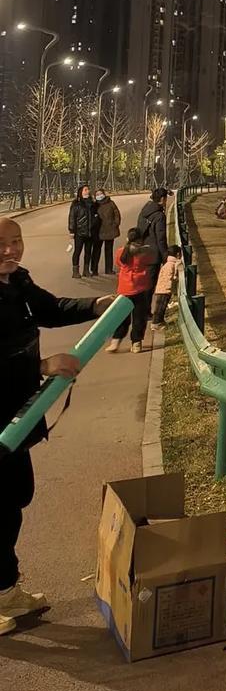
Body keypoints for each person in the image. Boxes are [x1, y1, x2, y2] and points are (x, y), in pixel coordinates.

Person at [0, 215, 114, 631]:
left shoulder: (17, 282)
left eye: (16, 241)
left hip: (17, 416)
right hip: (2, 419)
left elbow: (49, 309)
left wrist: (93, 306)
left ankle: (5, 587)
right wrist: (44, 365)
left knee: (14, 499)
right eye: (2, 245)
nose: (11, 250)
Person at [106, 229, 157, 354]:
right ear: (140, 240)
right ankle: (136, 343)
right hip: (140, 288)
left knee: (122, 317)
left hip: (124, 289)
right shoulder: (144, 253)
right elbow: (152, 260)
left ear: (128, 239)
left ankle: (116, 341)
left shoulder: (120, 252)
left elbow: (119, 263)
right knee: (139, 317)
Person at [66, 184, 99, 281]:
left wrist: (95, 222)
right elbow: (72, 218)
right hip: (79, 232)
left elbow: (96, 215)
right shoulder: (76, 204)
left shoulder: (92, 203)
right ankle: (75, 271)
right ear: (81, 192)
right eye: (85, 190)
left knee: (88, 252)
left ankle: (86, 270)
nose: (87, 191)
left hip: (90, 232)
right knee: (77, 251)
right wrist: (71, 230)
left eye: (88, 189)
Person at [91, 189, 121, 277]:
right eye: (97, 194)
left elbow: (117, 214)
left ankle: (109, 269)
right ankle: (94, 270)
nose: (99, 195)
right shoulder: (94, 205)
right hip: (98, 231)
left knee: (109, 250)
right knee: (96, 251)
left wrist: (115, 224)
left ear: (104, 194)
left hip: (109, 230)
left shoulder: (111, 203)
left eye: (101, 193)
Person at [150, 246, 182, 328]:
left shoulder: (168, 263)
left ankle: (159, 321)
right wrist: (175, 278)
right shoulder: (170, 265)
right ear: (178, 254)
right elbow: (169, 277)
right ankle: (156, 323)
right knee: (160, 307)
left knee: (161, 307)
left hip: (161, 288)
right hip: (164, 289)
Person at [136, 187, 171, 260]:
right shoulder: (159, 216)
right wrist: (165, 255)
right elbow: (161, 238)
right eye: (166, 199)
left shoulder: (144, 211)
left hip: (142, 250)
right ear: (162, 199)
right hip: (154, 254)